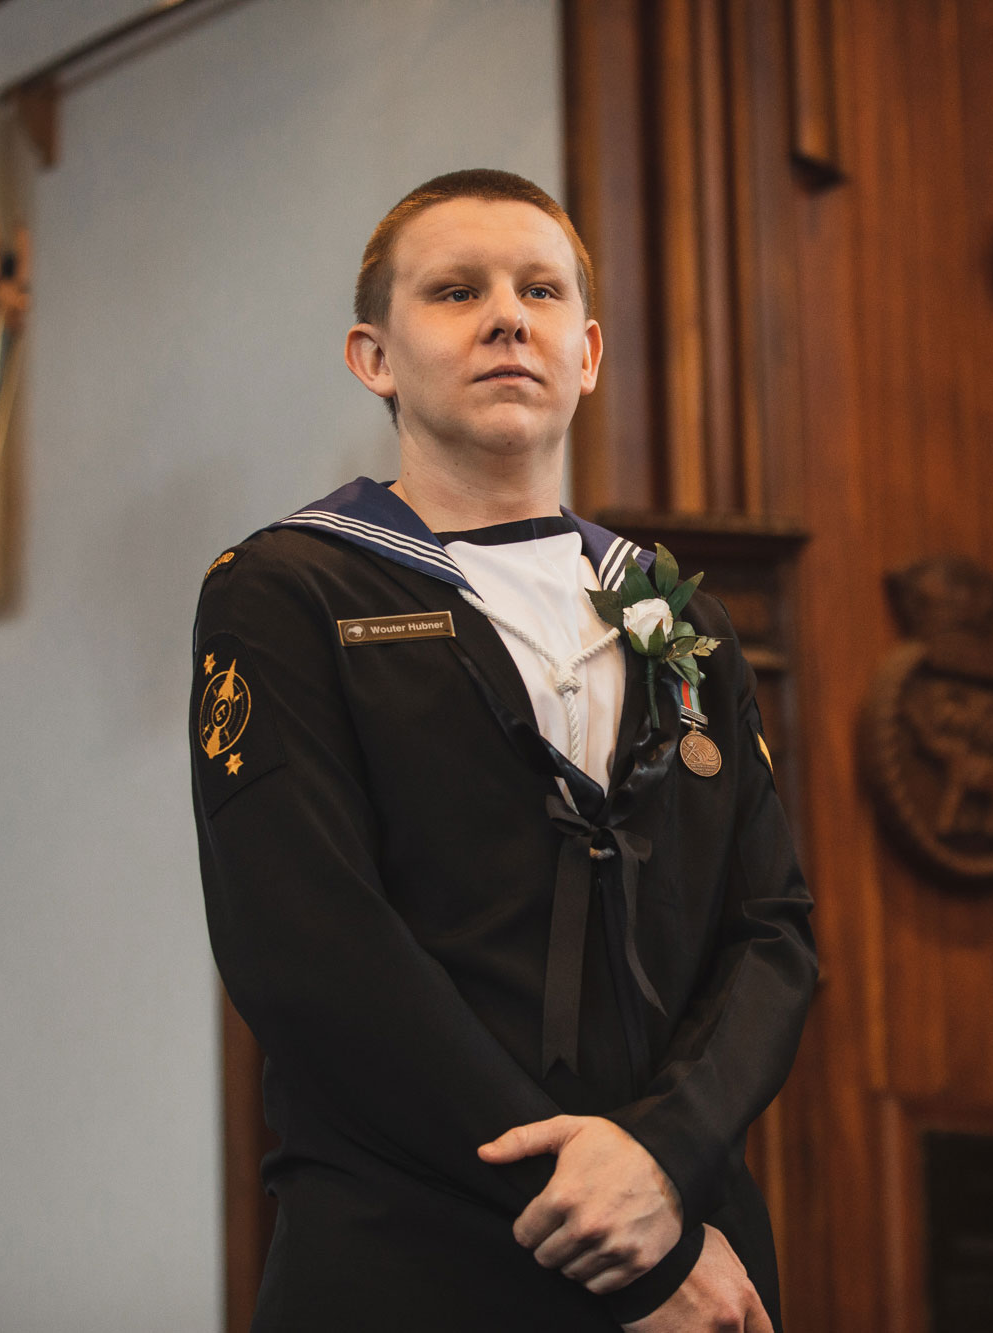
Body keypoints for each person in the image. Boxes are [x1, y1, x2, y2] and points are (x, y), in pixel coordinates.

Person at [189, 168, 817, 1331]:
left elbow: (770, 930)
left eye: (537, 289)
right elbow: (312, 945)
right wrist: (615, 1240)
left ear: (583, 352)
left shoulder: (682, 616)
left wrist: (664, 1160)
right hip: (418, 1244)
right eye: (453, 291)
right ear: (373, 357)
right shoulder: (288, 590)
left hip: (692, 1242)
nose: (503, 316)